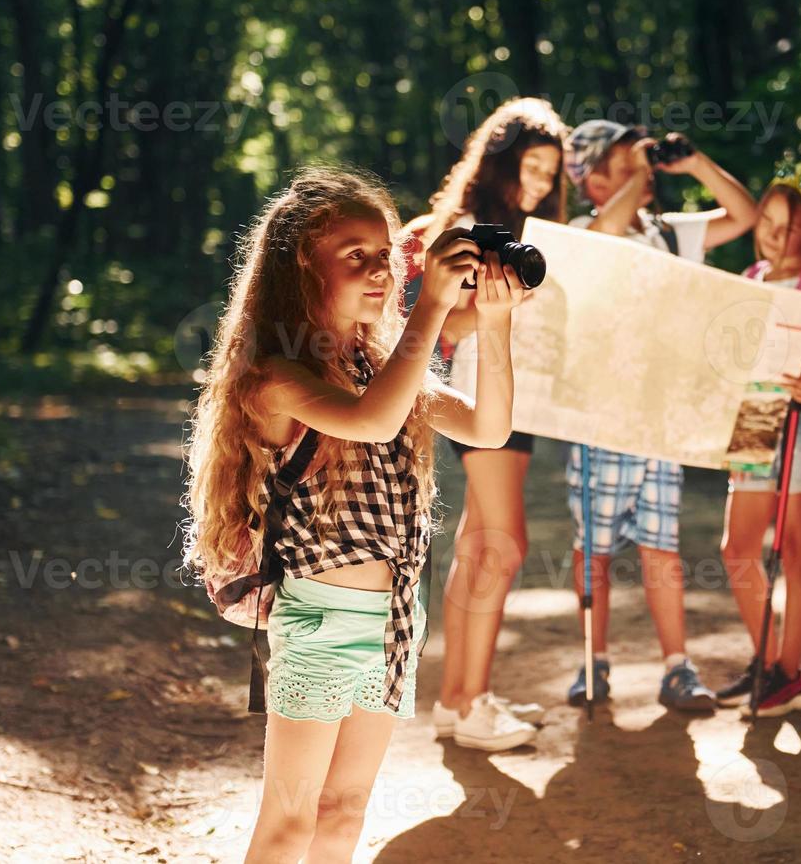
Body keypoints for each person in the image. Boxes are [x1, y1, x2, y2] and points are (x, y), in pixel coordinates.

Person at [182, 166, 528, 863]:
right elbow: (370, 424)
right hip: (319, 621)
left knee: (343, 815)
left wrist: (494, 324)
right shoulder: (276, 375)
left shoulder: (380, 367)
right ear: (302, 265)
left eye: (386, 256)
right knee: (289, 822)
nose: (381, 272)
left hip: (397, 617)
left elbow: (489, 428)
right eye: (357, 256)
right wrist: (429, 310)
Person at [560, 119, 760, 711]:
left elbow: (744, 216)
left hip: (662, 417)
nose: (637, 174)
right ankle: (593, 661)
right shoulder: (582, 230)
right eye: (622, 165)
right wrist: (641, 174)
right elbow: (602, 239)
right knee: (593, 543)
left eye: (637, 164)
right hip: (602, 416)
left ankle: (677, 666)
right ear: (593, 180)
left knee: (660, 544)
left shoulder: (670, 233)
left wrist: (694, 165)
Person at [405, 97, 568, 750]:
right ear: (501, 162)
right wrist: (506, 310)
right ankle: (470, 705)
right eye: (532, 165)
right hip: (481, 392)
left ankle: (457, 702)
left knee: (478, 543)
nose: (541, 182)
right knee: (504, 544)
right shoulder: (475, 229)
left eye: (551, 172)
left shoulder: (522, 233)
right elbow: (442, 326)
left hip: (511, 392)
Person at [715, 160, 801, 717]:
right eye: (767, 220)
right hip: (754, 417)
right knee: (737, 549)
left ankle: (789, 674)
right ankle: (769, 663)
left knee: (793, 549)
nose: (774, 233)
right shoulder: (750, 279)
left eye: (790, 225)